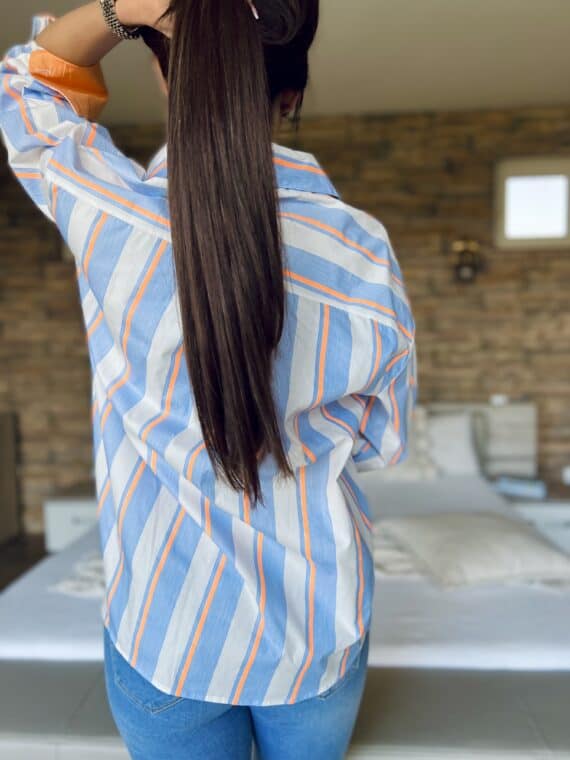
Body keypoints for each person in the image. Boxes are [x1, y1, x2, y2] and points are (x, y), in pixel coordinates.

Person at [0, 1, 417, 757]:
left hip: (167, 637)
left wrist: (121, 9)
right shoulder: (363, 250)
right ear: (291, 96)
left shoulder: (111, 217)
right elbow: (382, 441)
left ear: (167, 78)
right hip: (317, 633)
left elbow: (27, 86)